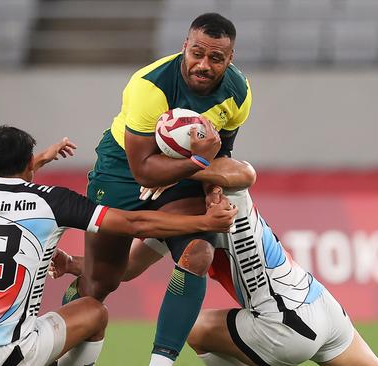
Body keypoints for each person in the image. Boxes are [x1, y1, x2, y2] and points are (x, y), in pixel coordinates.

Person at [0, 125, 237, 366]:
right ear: (28, 164)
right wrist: (204, 223)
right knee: (94, 311)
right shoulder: (55, 202)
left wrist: (40, 158)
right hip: (9, 356)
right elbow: (135, 224)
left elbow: (5, 183)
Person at [51, 158, 378, 366]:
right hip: (320, 303)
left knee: (193, 329)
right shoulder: (188, 222)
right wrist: (75, 265)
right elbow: (131, 268)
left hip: (284, 324)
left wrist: (179, 169)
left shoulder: (221, 199)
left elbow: (242, 174)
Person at [79, 12, 253, 365]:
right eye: (197, 54)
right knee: (101, 281)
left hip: (187, 173)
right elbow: (143, 170)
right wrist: (201, 164)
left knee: (198, 253)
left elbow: (224, 152)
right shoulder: (149, 85)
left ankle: (161, 362)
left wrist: (212, 192)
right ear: (184, 47)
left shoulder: (239, 93)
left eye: (216, 58)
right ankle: (65, 353)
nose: (203, 65)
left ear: (230, 58)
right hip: (123, 170)